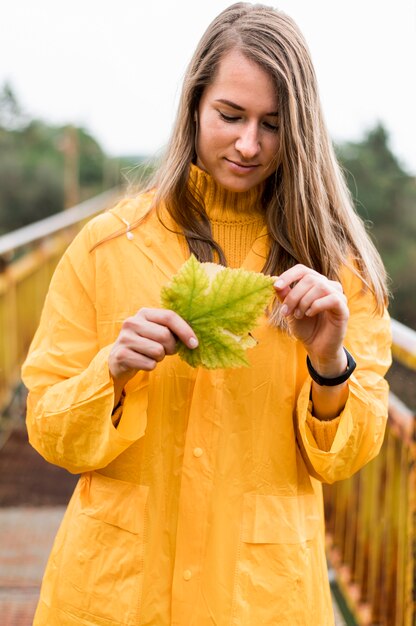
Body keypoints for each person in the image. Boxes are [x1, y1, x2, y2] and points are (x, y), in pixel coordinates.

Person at [22, 3, 391, 625]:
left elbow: (345, 459)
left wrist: (331, 363)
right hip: (116, 594)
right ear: (194, 104)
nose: (249, 144)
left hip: (261, 601)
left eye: (273, 124)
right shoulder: (111, 243)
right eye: (229, 115)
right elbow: (48, 431)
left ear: (299, 129)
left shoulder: (338, 272)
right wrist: (109, 372)